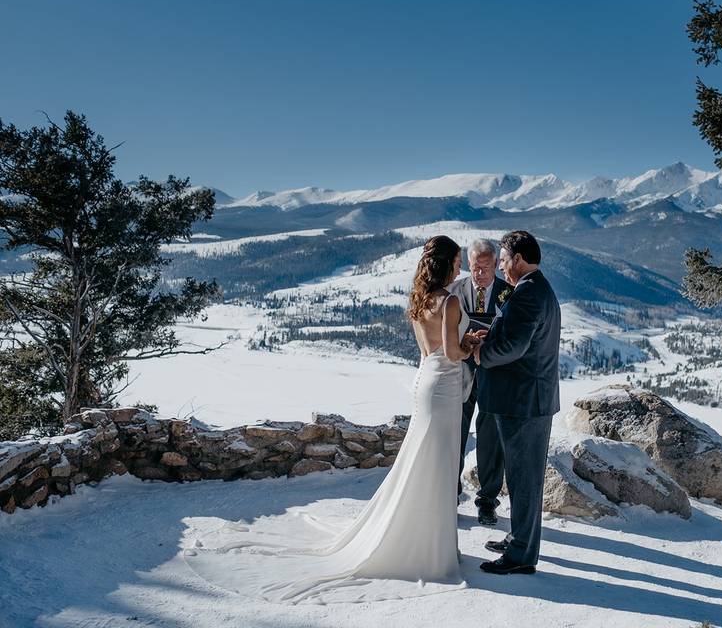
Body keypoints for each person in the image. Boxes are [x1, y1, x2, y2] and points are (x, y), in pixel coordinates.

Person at [181, 235, 482, 604]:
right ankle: (432, 549)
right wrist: (473, 344)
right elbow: (452, 352)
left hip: (425, 380)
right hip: (444, 384)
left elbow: (428, 349)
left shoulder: (420, 299)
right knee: (438, 461)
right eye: (456, 261)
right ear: (446, 264)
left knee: (422, 460)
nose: (459, 267)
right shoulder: (450, 301)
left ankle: (425, 541)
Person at [474, 231, 561, 575]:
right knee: (522, 477)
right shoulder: (536, 289)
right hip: (527, 400)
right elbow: (517, 336)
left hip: (523, 402)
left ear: (520, 259)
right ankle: (518, 539)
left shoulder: (528, 293)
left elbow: (515, 348)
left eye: (505, 260)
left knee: (525, 481)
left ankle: (522, 555)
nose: (503, 266)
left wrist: (483, 353)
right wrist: (491, 334)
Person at [448, 238, 511, 526]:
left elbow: (513, 335)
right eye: (474, 268)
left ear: (496, 265)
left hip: (494, 375)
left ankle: (487, 501)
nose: (479, 274)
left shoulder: (508, 294)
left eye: (485, 268)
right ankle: (450, 496)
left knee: (490, 440)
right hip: (460, 374)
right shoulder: (456, 292)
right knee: (455, 436)